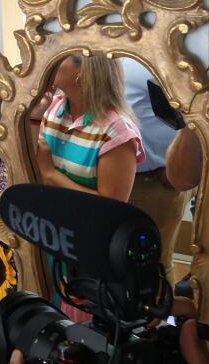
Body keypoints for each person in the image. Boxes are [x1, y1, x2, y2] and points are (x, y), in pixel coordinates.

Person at [33, 54, 144, 321]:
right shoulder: (55, 108)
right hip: (48, 239)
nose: (51, 61)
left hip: (87, 253)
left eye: (63, 57)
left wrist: (51, 175)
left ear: (83, 72)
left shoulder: (116, 132)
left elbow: (110, 211)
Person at [122, 59, 189, 284]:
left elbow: (189, 114)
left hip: (153, 181)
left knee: (154, 267)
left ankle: (159, 319)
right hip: (103, 177)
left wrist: (172, 173)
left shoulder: (157, 53)